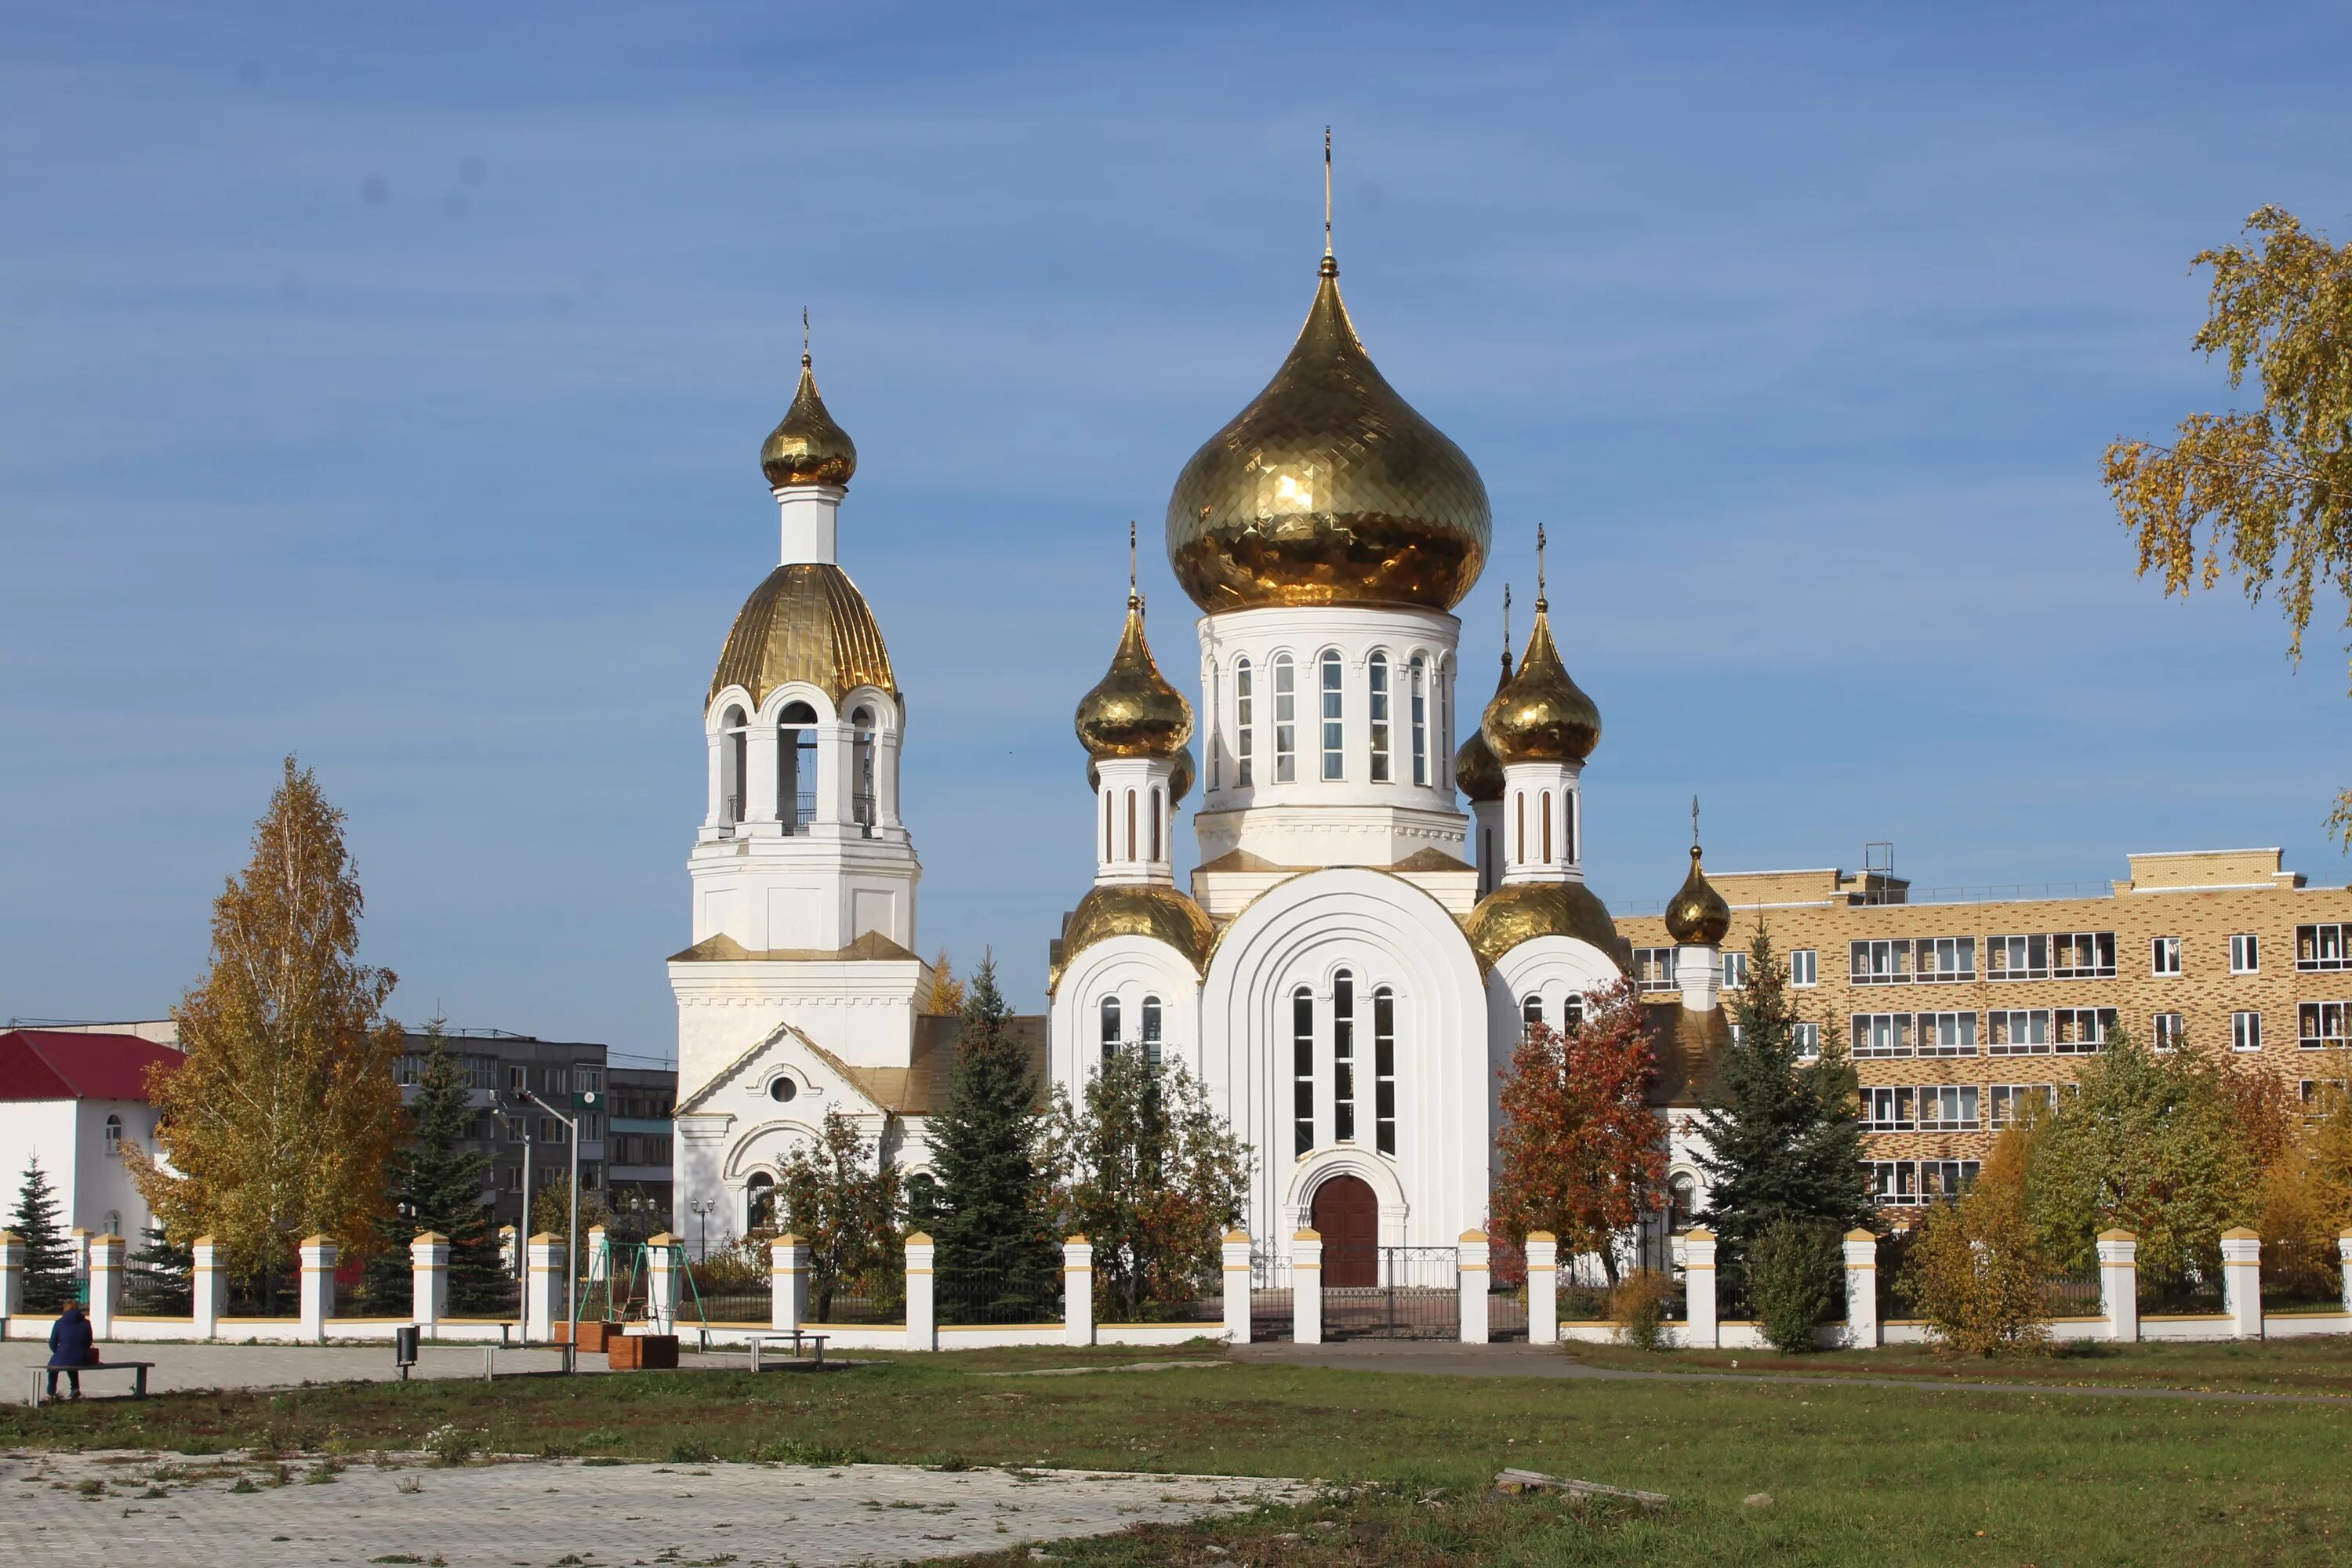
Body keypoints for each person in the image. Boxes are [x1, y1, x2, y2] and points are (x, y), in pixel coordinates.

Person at [47, 1301, 96, 1400]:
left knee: (53, 1368)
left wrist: (59, 1352)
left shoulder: (59, 1323)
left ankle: (51, 1392)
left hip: (63, 1354)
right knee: (72, 1363)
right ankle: (75, 1388)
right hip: (81, 1357)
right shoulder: (86, 1323)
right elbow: (89, 1341)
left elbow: (52, 1342)